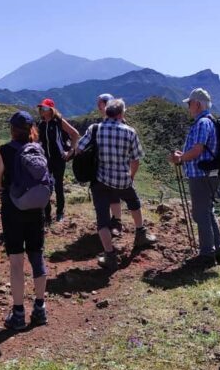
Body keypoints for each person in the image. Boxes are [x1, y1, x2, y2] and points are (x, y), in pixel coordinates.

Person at [76, 98, 157, 271]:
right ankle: (140, 233)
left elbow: (79, 148)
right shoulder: (129, 132)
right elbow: (136, 160)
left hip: (100, 180)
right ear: (121, 113)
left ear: (107, 112)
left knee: (102, 220)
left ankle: (109, 255)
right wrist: (130, 176)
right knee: (134, 203)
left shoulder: (95, 129)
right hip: (123, 179)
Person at [0, 111, 49, 330]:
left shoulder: (4, 151)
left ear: (12, 130)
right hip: (36, 210)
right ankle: (40, 308)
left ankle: (18, 313)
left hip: (13, 210)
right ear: (31, 130)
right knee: (37, 256)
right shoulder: (38, 150)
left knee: (16, 262)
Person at [168, 88, 220, 268]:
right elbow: (197, 150)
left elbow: (197, 150)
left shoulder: (202, 122)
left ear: (197, 104)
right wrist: (184, 155)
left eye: (189, 103)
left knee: (200, 214)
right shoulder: (209, 121)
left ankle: (206, 255)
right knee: (208, 212)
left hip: (200, 176)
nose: (188, 107)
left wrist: (180, 158)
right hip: (208, 175)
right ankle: (219, 250)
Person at [37, 98, 80, 225]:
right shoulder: (41, 124)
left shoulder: (58, 122)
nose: (42, 110)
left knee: (58, 186)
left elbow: (75, 134)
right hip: (45, 160)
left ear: (51, 110)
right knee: (45, 186)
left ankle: (60, 212)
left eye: (45, 108)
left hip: (59, 160)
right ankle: (47, 215)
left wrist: (70, 151)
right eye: (41, 108)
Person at [96, 93, 123, 237]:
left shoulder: (115, 124)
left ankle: (115, 223)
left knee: (113, 197)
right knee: (111, 197)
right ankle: (112, 223)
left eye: (99, 104)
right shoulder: (106, 122)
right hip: (109, 169)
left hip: (112, 169)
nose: (98, 107)